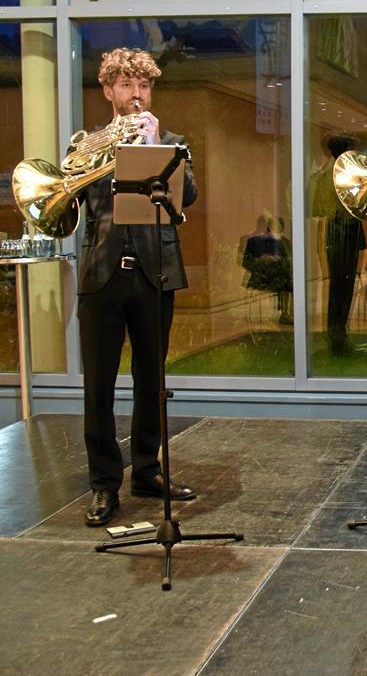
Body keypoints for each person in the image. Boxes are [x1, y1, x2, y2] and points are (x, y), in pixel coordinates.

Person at [78, 48, 199, 527]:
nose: (136, 95)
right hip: (101, 273)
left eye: (144, 86)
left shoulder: (171, 140)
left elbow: (186, 195)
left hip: (155, 272)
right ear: (108, 90)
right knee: (98, 385)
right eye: (126, 85)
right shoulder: (86, 145)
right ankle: (104, 484)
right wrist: (110, 152)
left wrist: (151, 147)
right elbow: (72, 203)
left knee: (152, 380)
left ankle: (147, 470)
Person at [311, 134, 366, 353]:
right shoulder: (334, 175)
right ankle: (337, 332)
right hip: (341, 230)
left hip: (340, 229)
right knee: (341, 284)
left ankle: (338, 331)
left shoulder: (326, 174)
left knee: (340, 284)